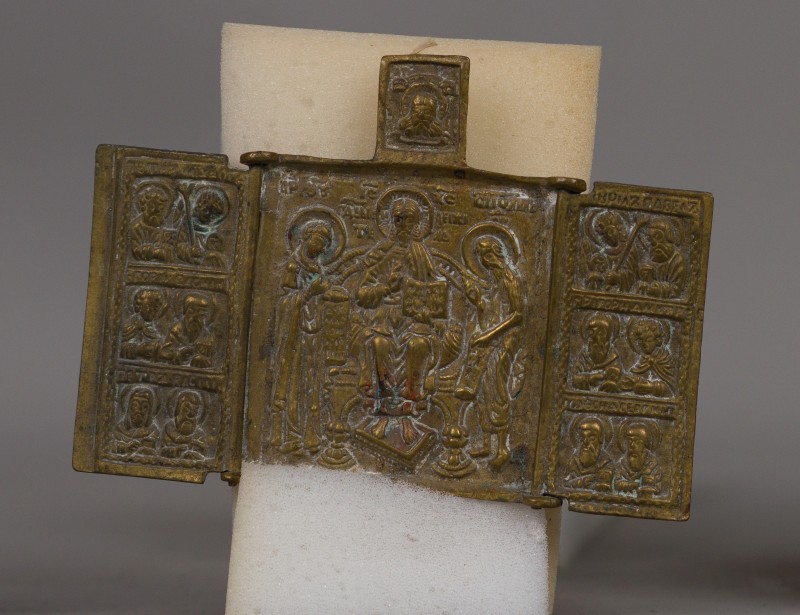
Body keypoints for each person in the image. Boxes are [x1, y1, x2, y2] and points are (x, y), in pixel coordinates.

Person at [356, 191, 443, 445]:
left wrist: (428, 308)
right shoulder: (381, 253)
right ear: (391, 222)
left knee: (418, 346)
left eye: (408, 220)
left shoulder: (421, 254)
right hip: (383, 319)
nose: (403, 224)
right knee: (378, 345)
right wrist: (386, 288)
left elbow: (434, 291)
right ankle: (384, 415)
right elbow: (362, 294)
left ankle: (407, 417)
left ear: (417, 224)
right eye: (398, 219)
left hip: (414, 321)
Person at [455, 235, 523, 470]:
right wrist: (477, 300)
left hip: (505, 341)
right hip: (491, 338)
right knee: (482, 389)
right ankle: (486, 442)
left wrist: (489, 336)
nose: (483, 260)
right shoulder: (494, 280)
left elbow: (517, 315)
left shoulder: (510, 277)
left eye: (485, 254)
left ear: (496, 252)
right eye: (479, 256)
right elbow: (492, 311)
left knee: (496, 389)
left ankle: (502, 448)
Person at [271, 219, 334, 454]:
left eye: (325, 245)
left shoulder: (317, 268)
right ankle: (289, 436)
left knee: (311, 384)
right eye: (318, 242)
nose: (321, 248)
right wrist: (309, 292)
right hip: (294, 336)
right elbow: (283, 302)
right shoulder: (293, 266)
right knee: (293, 384)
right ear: (306, 238)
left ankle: (311, 435)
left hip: (312, 334)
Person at [160, 294, 215, 368]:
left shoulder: (206, 335)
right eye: (191, 312)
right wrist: (179, 354)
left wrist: (202, 358)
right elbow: (165, 353)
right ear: (185, 312)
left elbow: (213, 358)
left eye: (201, 315)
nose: (195, 317)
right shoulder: (176, 331)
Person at [636, 218, 686, 299]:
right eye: (650, 239)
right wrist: (646, 278)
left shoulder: (676, 259)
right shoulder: (652, 257)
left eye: (657, 237)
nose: (653, 243)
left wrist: (656, 289)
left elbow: (676, 290)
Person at [573, 313, 622, 393]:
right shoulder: (584, 356)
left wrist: (612, 381)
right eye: (592, 333)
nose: (594, 337)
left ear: (608, 336)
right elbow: (573, 378)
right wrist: (589, 379)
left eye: (601, 333)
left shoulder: (613, 357)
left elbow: (620, 380)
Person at [627, 318, 675, 397]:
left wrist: (652, 388)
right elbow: (632, 378)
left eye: (648, 340)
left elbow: (674, 389)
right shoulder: (641, 362)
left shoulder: (664, 360)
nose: (644, 344)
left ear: (657, 340)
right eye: (641, 340)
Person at [614, 421, 662, 498]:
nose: (632, 445)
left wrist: (648, 485)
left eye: (637, 441)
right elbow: (616, 483)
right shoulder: (621, 463)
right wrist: (635, 484)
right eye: (630, 441)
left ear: (645, 444)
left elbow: (657, 488)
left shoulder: (653, 465)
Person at [564, 417, 613, 491]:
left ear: (600, 440)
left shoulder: (606, 462)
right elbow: (565, 483)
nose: (585, 442)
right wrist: (583, 481)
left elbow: (605, 485)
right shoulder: (574, 461)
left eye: (591, 438)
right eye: (582, 437)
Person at [130, 183, 174, 262]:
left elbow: (169, 252)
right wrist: (154, 252)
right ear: (143, 207)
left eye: (160, 207)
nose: (156, 210)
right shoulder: (136, 229)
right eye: (152, 206)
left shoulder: (164, 231)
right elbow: (135, 250)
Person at [111, 387, 159, 457]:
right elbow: (109, 446)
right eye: (135, 405)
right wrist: (125, 447)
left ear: (149, 411)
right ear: (129, 407)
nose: (139, 410)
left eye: (144, 406)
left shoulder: (153, 432)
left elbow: (155, 452)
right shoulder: (120, 429)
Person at [160, 390, 207, 460]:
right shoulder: (168, 429)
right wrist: (176, 450)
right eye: (187, 408)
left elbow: (204, 455)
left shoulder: (199, 434)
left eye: (195, 410)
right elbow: (161, 451)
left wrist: (197, 452)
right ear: (179, 407)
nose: (190, 414)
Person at [120, 288, 165, 361]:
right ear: (139, 306)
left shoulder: (150, 328)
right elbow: (116, 347)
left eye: (156, 309)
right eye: (149, 306)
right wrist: (138, 350)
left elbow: (157, 343)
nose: (153, 311)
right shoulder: (130, 326)